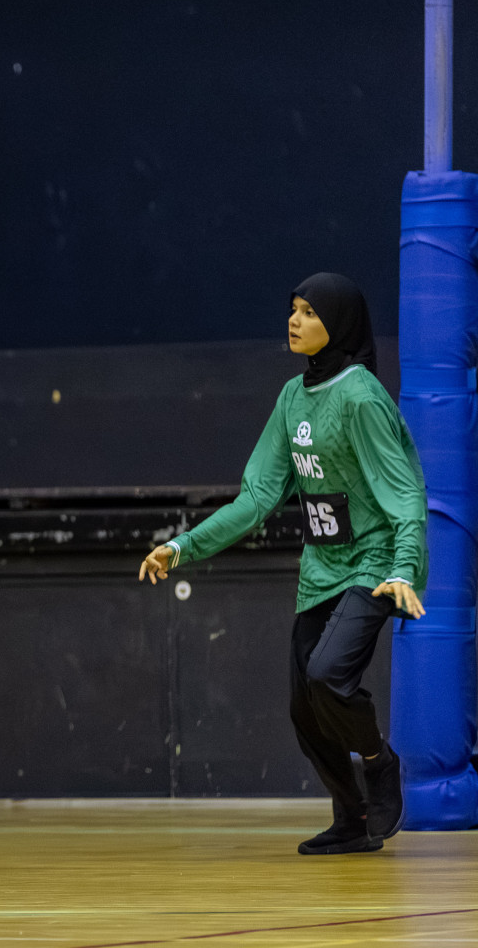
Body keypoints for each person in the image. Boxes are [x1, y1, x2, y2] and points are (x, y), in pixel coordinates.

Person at [138, 272, 427, 855]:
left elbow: (405, 495)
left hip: (373, 565)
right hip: (321, 571)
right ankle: (352, 819)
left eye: (309, 313)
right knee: (304, 708)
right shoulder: (293, 397)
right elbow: (255, 498)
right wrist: (182, 546)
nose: (294, 321)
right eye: (292, 309)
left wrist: (403, 566)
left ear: (338, 325)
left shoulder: (361, 397)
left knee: (327, 675)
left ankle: (379, 760)